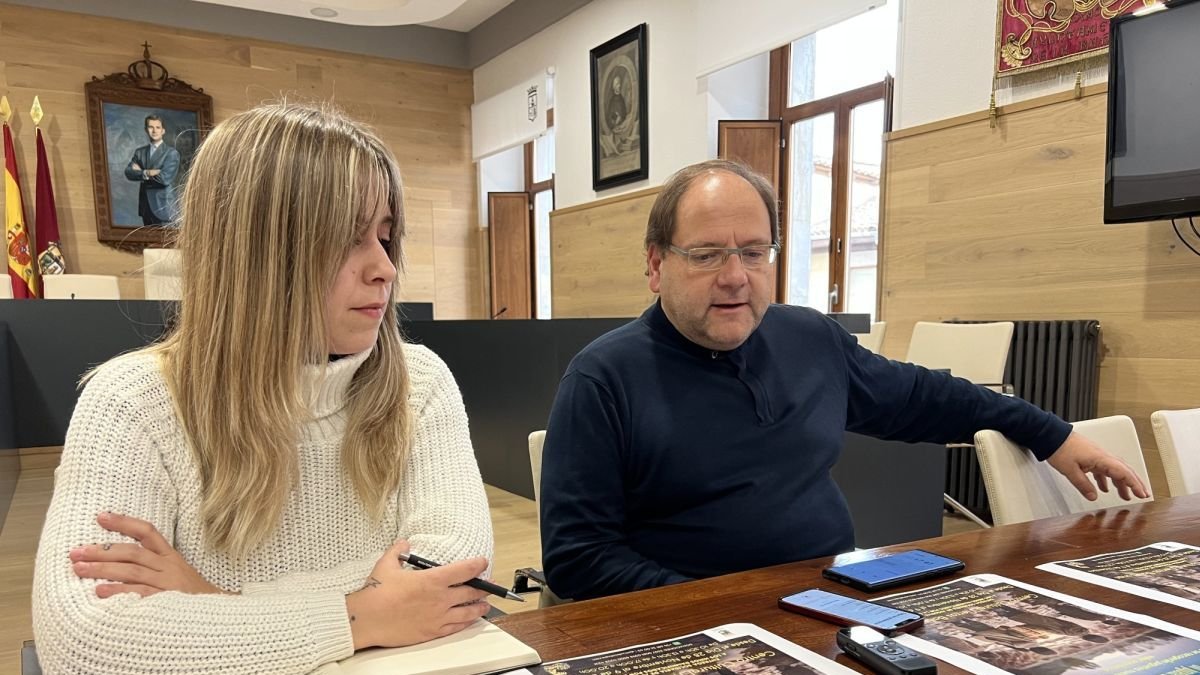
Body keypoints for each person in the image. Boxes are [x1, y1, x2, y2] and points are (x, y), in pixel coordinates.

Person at [539, 159, 1149, 601]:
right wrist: (728, 606)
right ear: (655, 264)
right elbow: (579, 560)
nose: (735, 277)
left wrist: (1052, 433)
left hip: (833, 599)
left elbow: (923, 397)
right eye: (706, 255)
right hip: (699, 627)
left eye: (754, 253)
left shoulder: (808, 338)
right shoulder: (602, 380)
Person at [33, 103, 495, 673]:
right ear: (258, 253)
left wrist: (207, 601)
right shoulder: (130, 401)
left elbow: (453, 574)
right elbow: (85, 646)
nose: (386, 269)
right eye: (349, 238)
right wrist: (363, 616)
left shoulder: (418, 382)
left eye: (385, 236)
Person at [123, 114, 181, 225]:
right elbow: (128, 172)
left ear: (163, 131)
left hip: (164, 208)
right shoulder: (140, 152)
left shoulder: (171, 153)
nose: (154, 131)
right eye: (151, 127)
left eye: (158, 127)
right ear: (146, 130)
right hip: (146, 208)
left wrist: (140, 173)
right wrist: (148, 172)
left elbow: (164, 179)